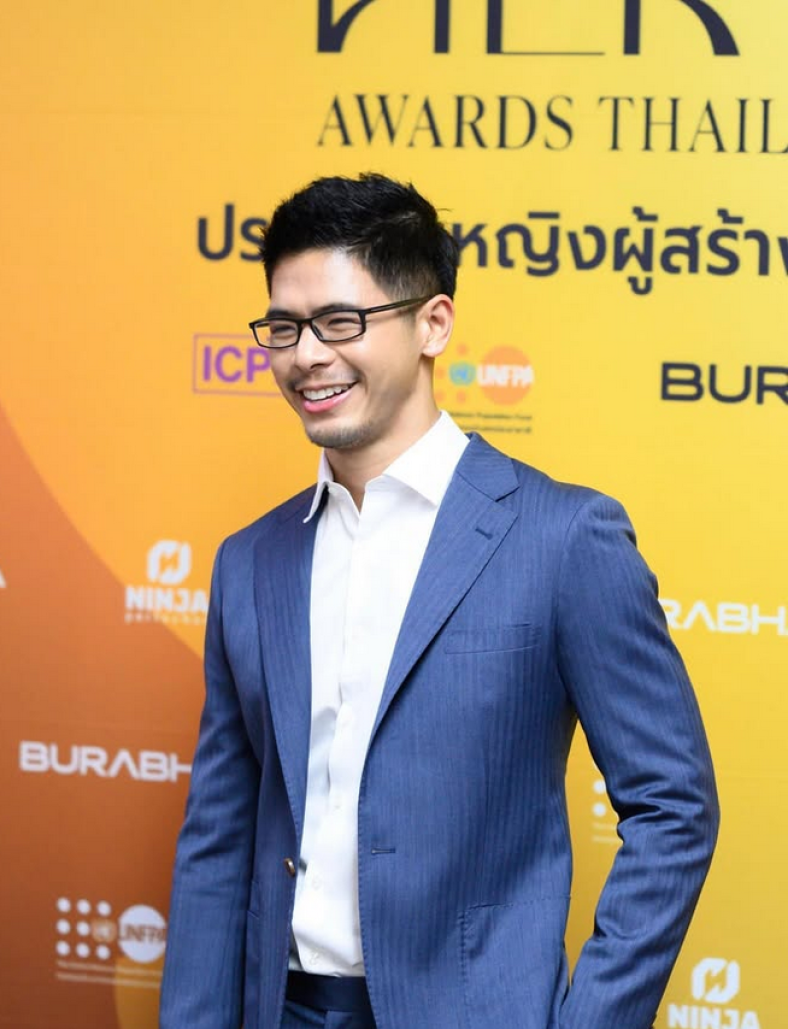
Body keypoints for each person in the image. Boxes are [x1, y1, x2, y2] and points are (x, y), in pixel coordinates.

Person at [160, 173, 719, 1029]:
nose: (307, 355)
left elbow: (674, 805)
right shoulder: (251, 561)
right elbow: (219, 835)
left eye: (341, 321)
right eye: (284, 327)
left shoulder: (563, 538)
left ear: (433, 323)